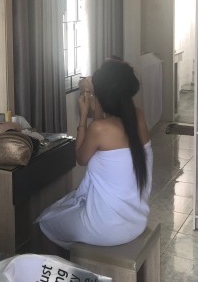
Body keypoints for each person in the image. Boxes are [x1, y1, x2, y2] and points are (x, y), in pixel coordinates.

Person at [36, 57, 153, 250]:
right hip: (136, 222)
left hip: (106, 228)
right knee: (68, 206)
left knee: (45, 221)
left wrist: (83, 116)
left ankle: (72, 263)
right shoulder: (138, 116)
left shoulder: (99, 130)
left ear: (103, 95)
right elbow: (102, 124)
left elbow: (81, 158)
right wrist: (97, 94)